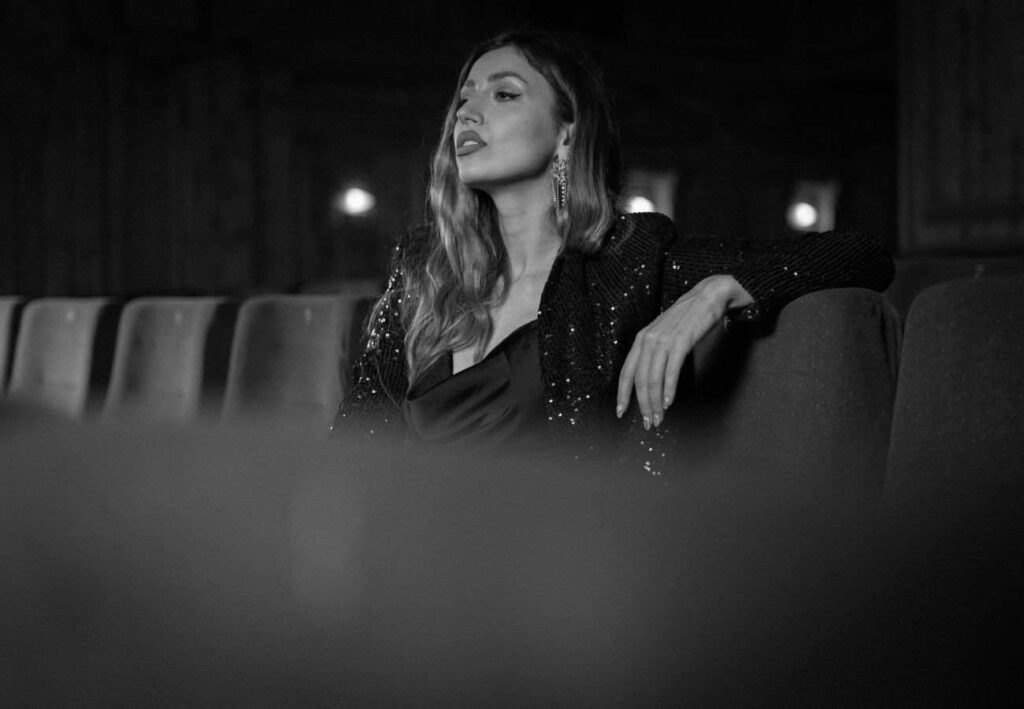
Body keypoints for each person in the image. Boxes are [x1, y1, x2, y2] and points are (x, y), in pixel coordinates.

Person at [331, 28, 894, 474]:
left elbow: (862, 252)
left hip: (569, 560)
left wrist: (714, 292)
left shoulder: (629, 259)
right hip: (414, 552)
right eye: (464, 98)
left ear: (566, 134)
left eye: (503, 94)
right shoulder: (426, 273)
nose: (466, 113)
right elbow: (355, 446)